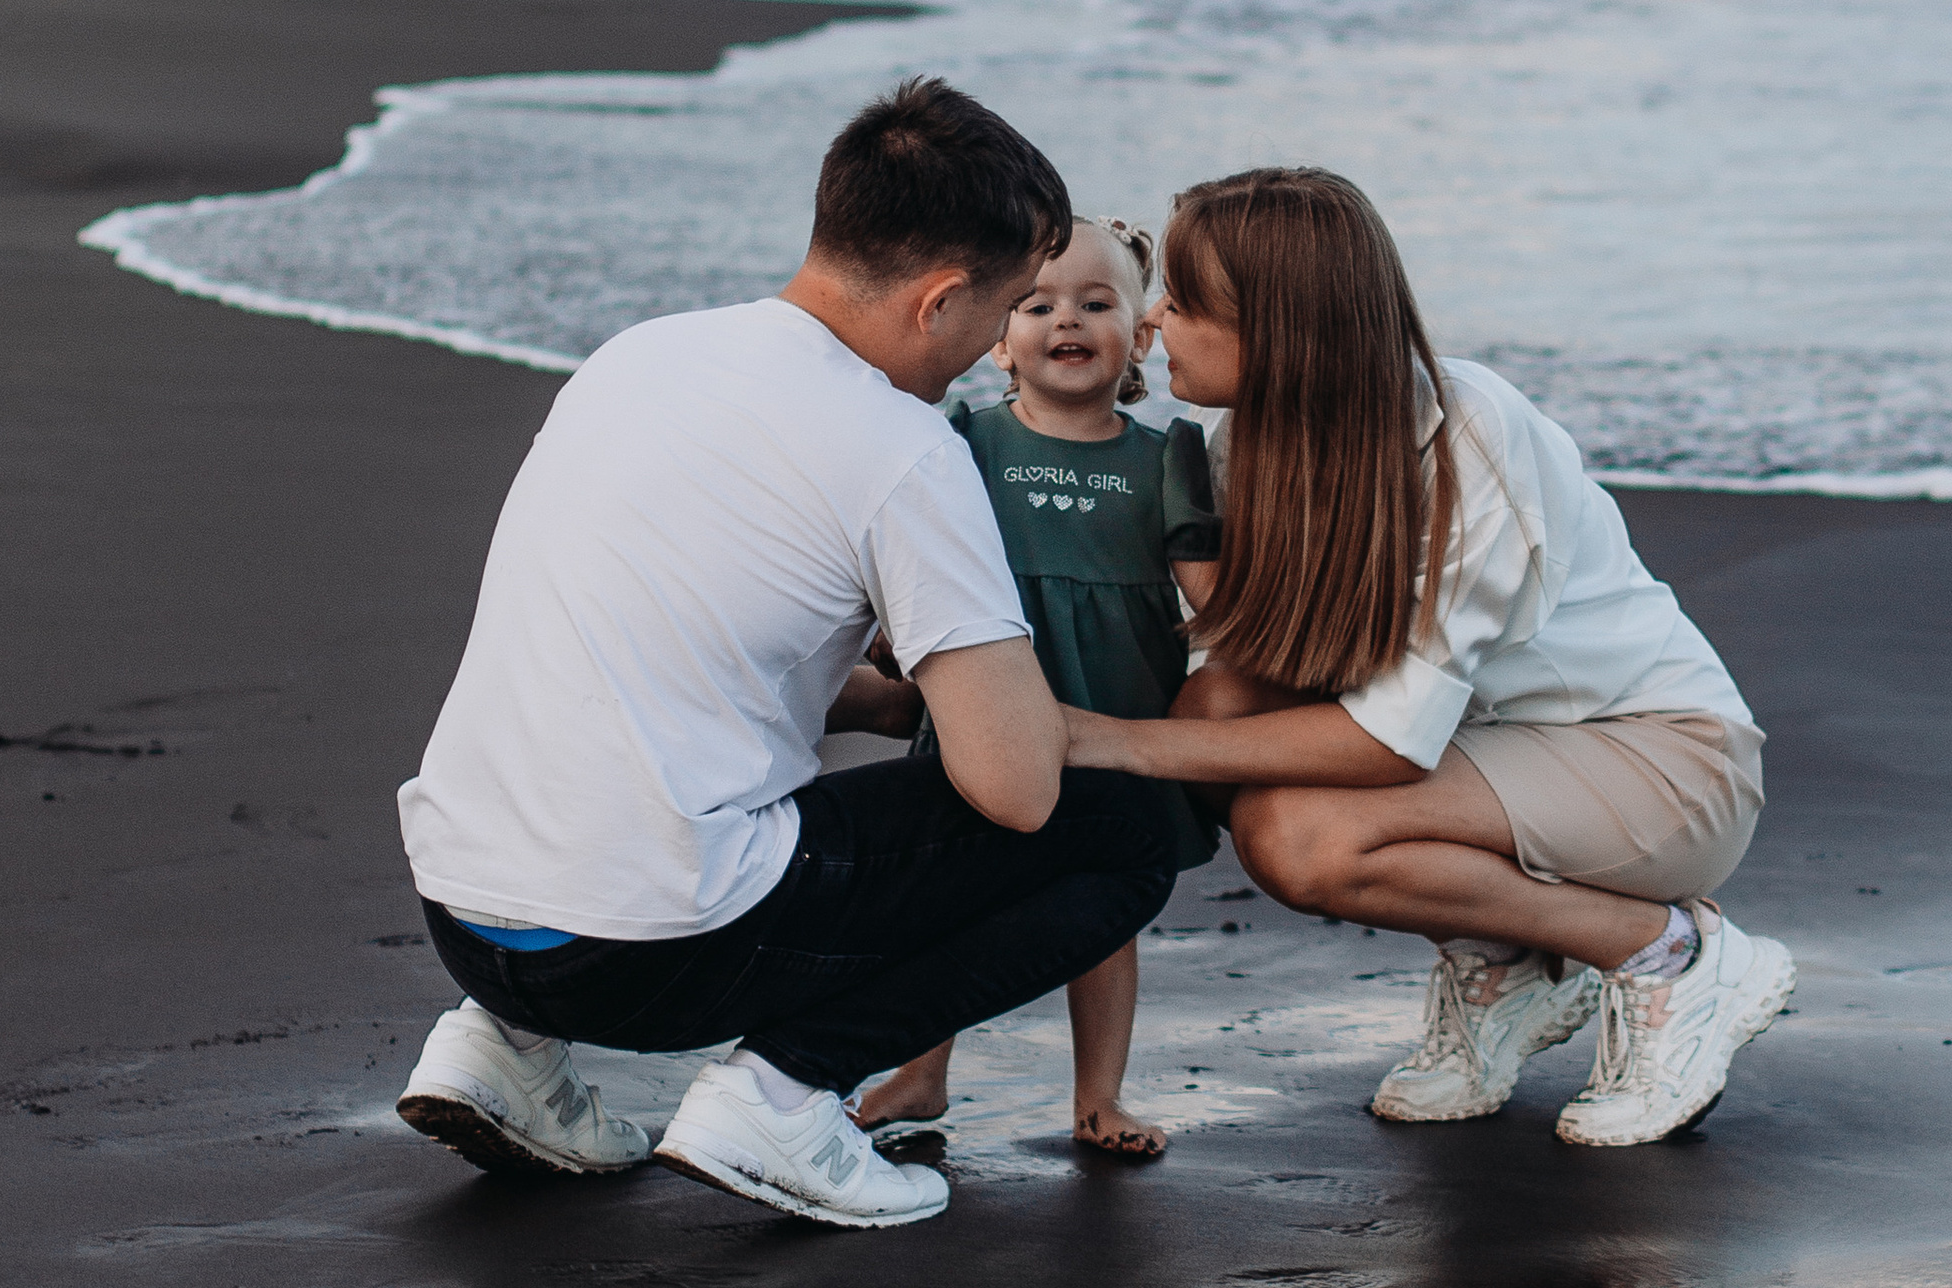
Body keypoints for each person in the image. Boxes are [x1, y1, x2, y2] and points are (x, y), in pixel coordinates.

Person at [391, 79, 1177, 1228]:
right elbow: (1013, 790)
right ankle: (782, 1092)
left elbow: (663, 657)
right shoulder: (902, 446)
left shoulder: (637, 356)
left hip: (465, 916)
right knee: (1118, 839)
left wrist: (875, 701)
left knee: (637, 768)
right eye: (996, 314)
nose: (976, 360)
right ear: (941, 298)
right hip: (649, 952)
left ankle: (500, 1052)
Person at [1059, 168, 1794, 1148]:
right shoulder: (1244, 445)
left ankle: (1671, 956)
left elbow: (1392, 743)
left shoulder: (1468, 436)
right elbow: (1243, 657)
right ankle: (1506, 966)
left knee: (1301, 839)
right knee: (1218, 711)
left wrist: (1116, 744)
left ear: (1279, 330)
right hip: (1487, 754)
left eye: (1184, 302)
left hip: (1660, 765)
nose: (1150, 318)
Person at [852, 217, 1221, 1161]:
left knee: (1102, 913)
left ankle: (1099, 1098)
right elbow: (907, 559)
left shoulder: (1167, 455)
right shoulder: (963, 439)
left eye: (1098, 304)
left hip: (1116, 711)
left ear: (1140, 335)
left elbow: (1208, 598)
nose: (1069, 320)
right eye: (1038, 304)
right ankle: (921, 1070)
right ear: (999, 338)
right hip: (986, 708)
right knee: (951, 895)